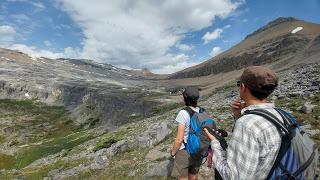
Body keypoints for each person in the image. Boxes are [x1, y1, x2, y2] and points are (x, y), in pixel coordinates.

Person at [204, 66, 282, 180]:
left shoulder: (247, 125)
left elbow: (232, 177)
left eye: (239, 83)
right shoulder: (279, 114)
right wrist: (237, 116)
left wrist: (215, 142)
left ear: (243, 86)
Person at [171, 86, 202, 180]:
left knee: (183, 177)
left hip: (185, 150)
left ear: (185, 97)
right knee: (193, 175)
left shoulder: (183, 113)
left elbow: (179, 139)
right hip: (198, 149)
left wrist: (173, 152)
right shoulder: (201, 111)